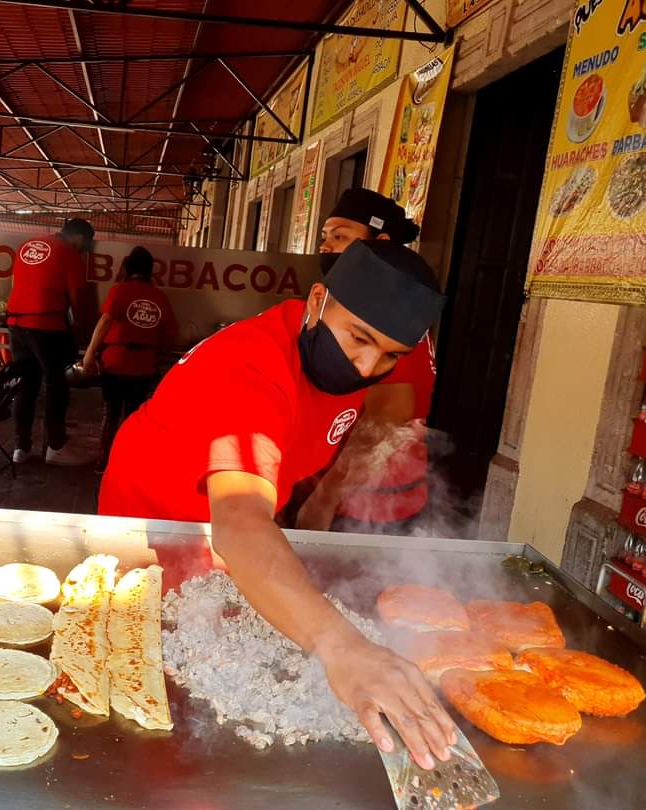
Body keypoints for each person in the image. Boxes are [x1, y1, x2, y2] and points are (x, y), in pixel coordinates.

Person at [99, 241, 456, 769]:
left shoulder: (332, 355)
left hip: (227, 527)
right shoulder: (252, 369)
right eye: (359, 338)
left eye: (389, 355)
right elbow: (240, 523)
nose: (365, 365)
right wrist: (342, 647)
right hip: (157, 524)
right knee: (149, 699)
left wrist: (319, 498)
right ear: (317, 300)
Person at [297, 188, 437, 533]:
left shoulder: (389, 315)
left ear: (382, 242)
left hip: (368, 507)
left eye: (341, 236)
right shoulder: (354, 304)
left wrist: (324, 499)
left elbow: (385, 420)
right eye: (324, 237)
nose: (327, 246)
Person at [6, 217, 94, 466]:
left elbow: (19, 286)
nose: (85, 251)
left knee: (26, 386)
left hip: (16, 325)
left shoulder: (27, 246)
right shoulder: (69, 254)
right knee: (57, 385)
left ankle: (21, 448)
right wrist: (84, 333)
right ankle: (55, 448)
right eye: (86, 246)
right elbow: (78, 301)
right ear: (79, 238)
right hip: (46, 326)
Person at [82, 246, 177, 472]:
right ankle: (126, 465)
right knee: (133, 417)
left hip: (115, 363)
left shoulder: (119, 291)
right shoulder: (159, 297)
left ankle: (103, 463)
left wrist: (89, 353)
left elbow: (105, 321)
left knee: (111, 413)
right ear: (150, 272)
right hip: (143, 367)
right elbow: (171, 333)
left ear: (127, 268)